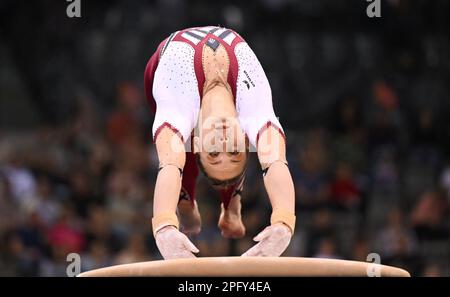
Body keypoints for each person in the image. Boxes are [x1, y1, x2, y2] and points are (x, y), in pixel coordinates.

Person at [144, 26, 296, 259]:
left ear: (197, 147)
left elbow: (170, 166)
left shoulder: (175, 104)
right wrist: (283, 222)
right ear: (247, 142)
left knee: (175, 154)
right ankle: (231, 206)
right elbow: (275, 162)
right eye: (235, 150)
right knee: (191, 157)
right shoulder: (255, 108)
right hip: (194, 99)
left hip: (161, 77)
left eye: (213, 152)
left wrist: (164, 227)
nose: (223, 142)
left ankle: (189, 204)